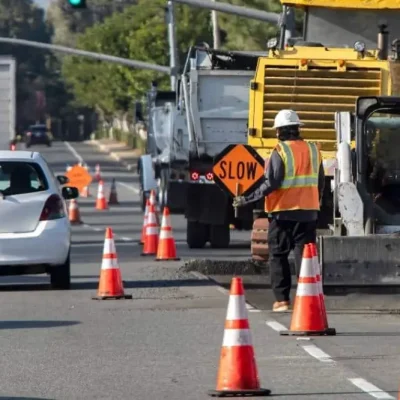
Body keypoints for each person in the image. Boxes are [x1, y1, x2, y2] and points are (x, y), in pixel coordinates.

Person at [233, 109, 325, 312]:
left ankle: (282, 300)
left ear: (279, 132)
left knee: (278, 255)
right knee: (305, 257)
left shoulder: (280, 151)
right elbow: (320, 183)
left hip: (283, 213)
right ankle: (307, 299)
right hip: (308, 212)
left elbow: (271, 183)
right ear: (298, 129)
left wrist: (246, 198)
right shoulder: (313, 150)